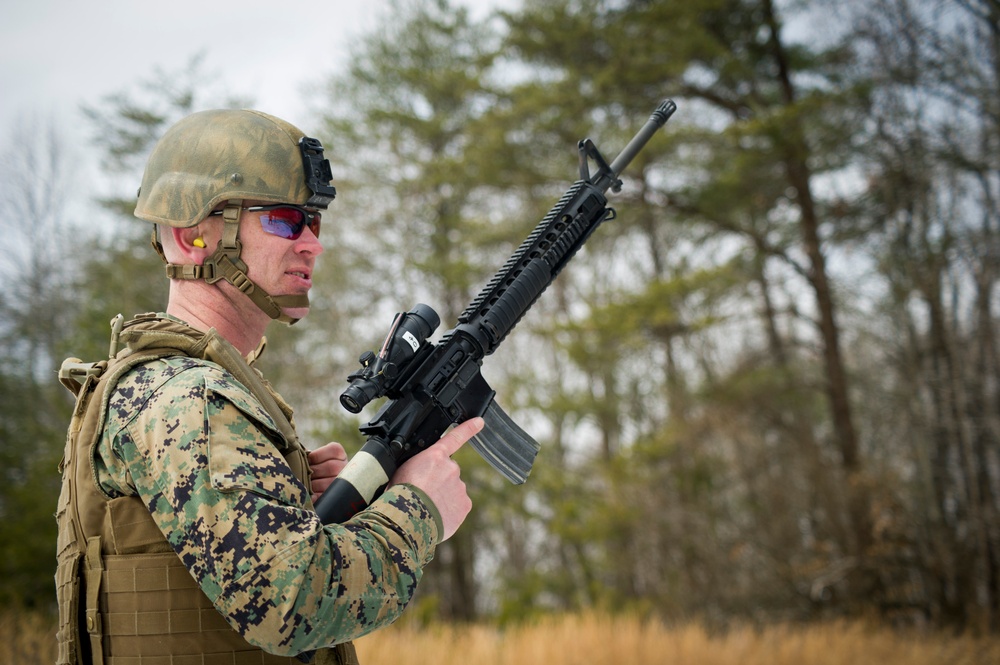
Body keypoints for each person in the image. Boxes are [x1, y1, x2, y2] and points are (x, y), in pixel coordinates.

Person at [54, 109, 478, 665]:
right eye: (283, 220)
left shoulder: (185, 389)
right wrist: (420, 508)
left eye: (314, 223)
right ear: (193, 236)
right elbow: (291, 603)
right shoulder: (191, 399)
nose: (311, 245)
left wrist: (296, 497)